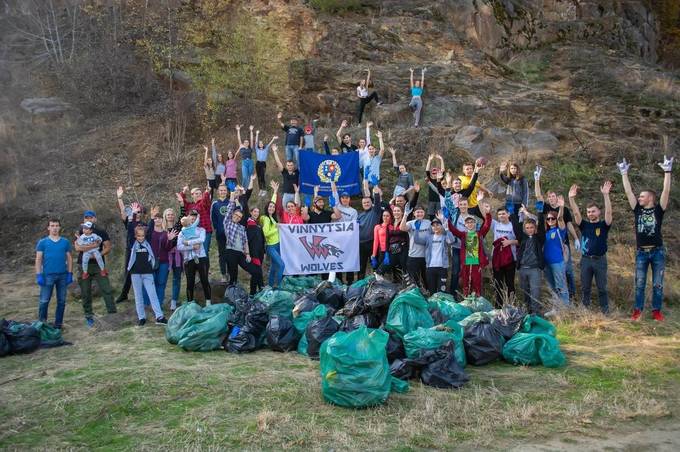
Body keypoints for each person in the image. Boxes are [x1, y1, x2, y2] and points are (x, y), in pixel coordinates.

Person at [618, 155, 673, 321]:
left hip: (657, 252)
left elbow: (666, 191)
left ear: (650, 198)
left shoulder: (658, 210)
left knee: (657, 284)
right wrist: (624, 174)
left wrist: (667, 172)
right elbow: (628, 191)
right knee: (640, 284)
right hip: (641, 253)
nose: (639, 198)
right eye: (639, 197)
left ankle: (656, 312)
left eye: (642, 196)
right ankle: (638, 311)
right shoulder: (637, 210)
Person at [534, 165, 579, 298]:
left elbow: (569, 224)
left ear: (557, 197)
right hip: (549, 242)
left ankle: (571, 295)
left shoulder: (563, 209)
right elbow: (538, 196)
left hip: (562, 243)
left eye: (553, 196)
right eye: (550, 197)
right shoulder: (546, 207)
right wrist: (537, 179)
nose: (551, 198)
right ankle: (559, 299)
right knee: (553, 275)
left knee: (568, 270)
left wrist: (575, 238)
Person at [568, 181, 613, 314]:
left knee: (602, 288)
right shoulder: (584, 225)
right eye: (588, 212)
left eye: (593, 211)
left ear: (599, 212)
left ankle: (605, 311)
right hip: (586, 260)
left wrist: (606, 195)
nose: (590, 214)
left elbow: (609, 212)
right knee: (585, 288)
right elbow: (576, 214)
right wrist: (571, 199)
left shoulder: (604, 225)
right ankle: (584, 310)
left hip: (600, 260)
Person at [75, 210, 117, 327]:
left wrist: (98, 254)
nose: (88, 219)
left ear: (95, 219)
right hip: (84, 265)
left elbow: (108, 247)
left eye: (91, 217)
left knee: (106, 288)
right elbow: (77, 248)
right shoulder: (81, 231)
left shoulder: (101, 232)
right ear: (84, 220)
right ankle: (89, 316)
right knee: (85, 291)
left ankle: (112, 314)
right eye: (86, 218)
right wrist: (92, 247)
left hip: (98, 265)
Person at [35, 218, 72, 329]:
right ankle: (42, 324)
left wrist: (70, 273)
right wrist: (39, 274)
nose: (55, 228)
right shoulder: (42, 242)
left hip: (62, 275)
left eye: (56, 225)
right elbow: (38, 259)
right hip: (48, 276)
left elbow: (69, 258)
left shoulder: (65, 242)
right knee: (44, 300)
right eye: (52, 225)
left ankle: (58, 325)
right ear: (48, 228)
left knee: (61, 301)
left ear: (60, 227)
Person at [448, 202, 492, 296]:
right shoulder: (463, 235)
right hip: (466, 263)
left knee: (477, 283)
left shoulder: (479, 234)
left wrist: (487, 214)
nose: (470, 224)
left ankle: (477, 300)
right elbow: (453, 230)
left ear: (475, 223)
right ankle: (467, 299)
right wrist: (448, 219)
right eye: (467, 222)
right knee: (466, 283)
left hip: (476, 263)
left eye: (471, 222)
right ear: (465, 225)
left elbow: (487, 226)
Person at [128, 225, 167, 326]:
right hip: (135, 274)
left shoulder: (148, 243)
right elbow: (129, 227)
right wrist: (133, 218)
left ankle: (159, 317)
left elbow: (150, 228)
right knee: (138, 296)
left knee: (152, 295)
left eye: (143, 235)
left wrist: (152, 217)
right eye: (139, 236)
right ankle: (141, 318)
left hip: (148, 273)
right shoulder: (132, 244)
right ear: (135, 236)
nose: (141, 237)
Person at [537, 191, 570, 308]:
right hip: (547, 263)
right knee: (552, 286)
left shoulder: (560, 229)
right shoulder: (546, 232)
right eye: (548, 219)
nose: (550, 220)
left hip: (557, 262)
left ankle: (565, 309)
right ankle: (557, 308)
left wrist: (561, 207)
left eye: (552, 219)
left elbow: (561, 218)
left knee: (561, 286)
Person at [115, 187, 147, 304]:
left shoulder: (144, 224)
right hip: (130, 250)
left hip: (142, 251)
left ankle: (143, 295)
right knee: (128, 272)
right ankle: (124, 294)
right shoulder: (129, 222)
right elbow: (123, 212)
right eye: (135, 211)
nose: (137, 213)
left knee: (142, 273)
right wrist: (119, 198)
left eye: (139, 211)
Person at [223, 187, 258, 292]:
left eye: (239, 217)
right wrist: (232, 196)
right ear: (233, 215)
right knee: (233, 277)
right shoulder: (227, 223)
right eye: (236, 215)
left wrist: (247, 254)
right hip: (231, 252)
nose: (237, 217)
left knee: (255, 271)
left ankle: (253, 293)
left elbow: (245, 241)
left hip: (241, 254)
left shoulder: (242, 227)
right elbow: (229, 209)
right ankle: (231, 298)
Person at [512, 205, 545, 314]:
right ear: (525, 229)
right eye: (527, 228)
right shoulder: (523, 238)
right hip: (523, 269)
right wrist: (513, 214)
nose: (529, 229)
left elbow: (541, 228)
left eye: (531, 227)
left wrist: (540, 212)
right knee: (525, 293)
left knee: (535, 293)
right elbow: (516, 226)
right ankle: (526, 313)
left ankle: (535, 314)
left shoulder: (539, 238)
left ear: (534, 228)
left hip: (534, 270)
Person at [176, 209, 211, 306]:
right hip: (188, 260)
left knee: (204, 280)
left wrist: (188, 242)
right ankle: (190, 303)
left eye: (195, 217)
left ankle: (208, 302)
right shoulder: (182, 232)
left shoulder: (201, 230)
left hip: (201, 257)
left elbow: (202, 239)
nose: (193, 218)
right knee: (190, 283)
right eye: (191, 216)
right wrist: (192, 246)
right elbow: (179, 247)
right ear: (188, 217)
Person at [413, 213, 455, 294]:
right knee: (432, 291)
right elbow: (417, 240)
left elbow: (451, 240)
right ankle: (432, 306)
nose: (435, 227)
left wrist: (446, 228)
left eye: (437, 225)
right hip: (430, 268)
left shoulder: (444, 237)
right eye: (433, 225)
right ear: (431, 227)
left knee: (441, 291)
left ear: (441, 226)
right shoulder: (429, 237)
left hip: (442, 268)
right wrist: (417, 230)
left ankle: (439, 306)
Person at [146, 207, 176, 309]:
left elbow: (167, 248)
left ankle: (158, 305)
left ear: (162, 220)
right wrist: (151, 217)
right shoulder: (149, 232)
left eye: (159, 218)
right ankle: (147, 305)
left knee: (161, 283)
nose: (157, 220)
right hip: (151, 261)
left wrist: (170, 240)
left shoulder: (165, 233)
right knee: (150, 282)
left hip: (164, 262)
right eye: (155, 218)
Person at [372, 205, 409, 283]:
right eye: (395, 211)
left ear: (402, 212)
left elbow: (407, 237)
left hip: (403, 250)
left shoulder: (405, 222)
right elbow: (387, 240)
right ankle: (385, 287)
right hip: (392, 251)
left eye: (398, 211)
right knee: (379, 271)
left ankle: (411, 289)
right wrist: (386, 253)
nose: (396, 212)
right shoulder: (390, 225)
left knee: (405, 271)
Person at [491, 206, 518, 307]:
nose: (501, 216)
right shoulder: (495, 225)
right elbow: (486, 216)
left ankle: (511, 306)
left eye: (503, 213)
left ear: (508, 214)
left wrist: (509, 242)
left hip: (510, 259)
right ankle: (498, 307)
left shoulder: (513, 226)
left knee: (510, 284)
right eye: (499, 214)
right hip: (497, 259)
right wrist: (480, 201)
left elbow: (520, 240)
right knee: (498, 284)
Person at [260, 180, 285, 288]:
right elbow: (266, 233)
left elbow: (273, 202)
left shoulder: (272, 218)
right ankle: (278, 287)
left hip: (278, 245)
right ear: (266, 208)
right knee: (281, 265)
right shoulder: (265, 218)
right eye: (270, 207)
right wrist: (276, 228)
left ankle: (270, 286)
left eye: (273, 207)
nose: (272, 208)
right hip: (271, 247)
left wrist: (275, 192)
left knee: (274, 267)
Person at [356, 181, 383, 281]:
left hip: (372, 243)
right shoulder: (360, 215)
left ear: (371, 203)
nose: (366, 204)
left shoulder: (375, 211)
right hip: (361, 244)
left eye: (368, 202)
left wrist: (375, 187)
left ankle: (378, 283)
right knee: (361, 266)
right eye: (364, 203)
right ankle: (359, 284)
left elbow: (377, 200)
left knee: (375, 264)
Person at [178, 184, 213, 257]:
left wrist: (206, 192)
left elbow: (205, 200)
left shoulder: (204, 204)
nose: (199, 195)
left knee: (204, 252)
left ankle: (205, 268)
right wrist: (184, 191)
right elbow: (182, 200)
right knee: (194, 252)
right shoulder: (190, 206)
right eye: (196, 193)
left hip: (205, 231)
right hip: (193, 233)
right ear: (192, 195)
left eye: (200, 193)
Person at [400, 205, 430, 289]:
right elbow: (402, 228)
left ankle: (428, 296)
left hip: (426, 257)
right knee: (414, 281)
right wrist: (405, 214)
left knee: (427, 279)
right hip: (413, 256)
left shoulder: (428, 223)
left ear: (424, 213)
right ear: (414, 213)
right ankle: (416, 297)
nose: (419, 214)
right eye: (417, 212)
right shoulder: (411, 223)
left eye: (421, 212)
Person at [162, 207, 183, 312]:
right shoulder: (162, 228)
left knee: (177, 278)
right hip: (166, 256)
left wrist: (181, 203)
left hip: (177, 255)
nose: (170, 216)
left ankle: (174, 301)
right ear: (165, 216)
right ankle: (160, 300)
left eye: (171, 214)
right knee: (163, 278)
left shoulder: (177, 227)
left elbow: (183, 214)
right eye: (168, 214)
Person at [211, 183, 232, 283]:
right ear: (218, 192)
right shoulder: (215, 204)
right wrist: (217, 229)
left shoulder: (231, 202)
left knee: (231, 254)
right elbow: (213, 218)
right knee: (222, 254)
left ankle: (232, 274)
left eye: (224, 190)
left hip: (231, 234)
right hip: (220, 234)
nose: (223, 192)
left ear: (227, 192)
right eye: (221, 190)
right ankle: (224, 274)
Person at [272, 143, 299, 208]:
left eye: (291, 165)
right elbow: (278, 162)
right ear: (286, 166)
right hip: (286, 195)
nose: (290, 167)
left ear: (294, 166)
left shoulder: (297, 172)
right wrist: (275, 151)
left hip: (295, 194)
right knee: (285, 212)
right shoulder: (284, 172)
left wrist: (301, 150)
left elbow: (301, 161)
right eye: (288, 165)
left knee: (296, 211)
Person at [254, 130, 276, 196]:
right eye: (259, 143)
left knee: (262, 176)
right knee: (259, 177)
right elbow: (255, 142)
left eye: (262, 143)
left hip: (263, 164)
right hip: (258, 164)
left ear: (263, 144)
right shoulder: (257, 149)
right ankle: (260, 190)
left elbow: (269, 144)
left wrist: (273, 139)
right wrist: (257, 134)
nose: (260, 144)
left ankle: (264, 190)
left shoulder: (265, 148)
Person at [425, 153, 445, 219]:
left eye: (436, 172)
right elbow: (427, 170)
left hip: (439, 200)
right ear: (431, 173)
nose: (434, 173)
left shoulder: (439, 179)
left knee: (439, 216)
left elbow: (443, 170)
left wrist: (441, 159)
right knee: (431, 216)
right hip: (431, 200)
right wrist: (429, 160)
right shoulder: (430, 179)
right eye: (433, 172)